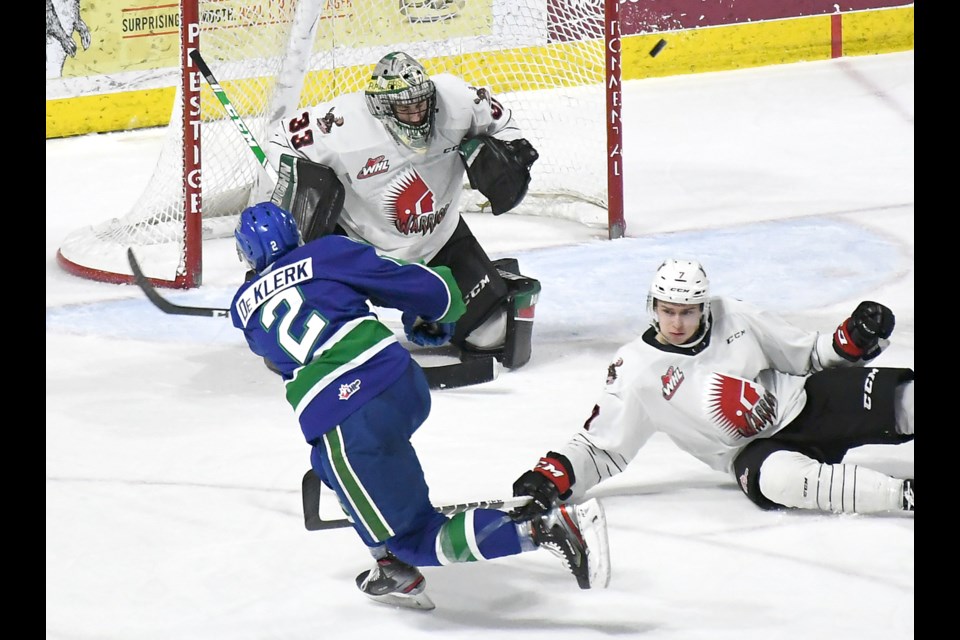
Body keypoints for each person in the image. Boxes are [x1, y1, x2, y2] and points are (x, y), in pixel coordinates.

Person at [228, 202, 610, 610]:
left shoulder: (242, 310)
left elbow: (279, 350)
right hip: (399, 381)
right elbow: (424, 288)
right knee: (326, 463)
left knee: (414, 537)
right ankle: (390, 566)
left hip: (347, 413)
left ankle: (547, 528)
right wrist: (433, 313)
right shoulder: (326, 252)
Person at [509, 258, 914, 522]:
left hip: (805, 400)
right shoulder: (636, 369)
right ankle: (904, 496)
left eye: (687, 312)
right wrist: (554, 476)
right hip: (751, 453)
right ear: (653, 307)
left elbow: (805, 354)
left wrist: (851, 341)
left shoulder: (732, 313)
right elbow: (601, 447)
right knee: (782, 483)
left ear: (704, 306)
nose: (677, 322)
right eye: (668, 311)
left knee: (906, 400)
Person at [264, 50, 542, 370]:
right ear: (382, 107)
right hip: (362, 253)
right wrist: (310, 187)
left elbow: (504, 123)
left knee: (493, 336)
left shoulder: (458, 101)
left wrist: (511, 153)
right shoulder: (340, 125)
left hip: (440, 240)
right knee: (318, 347)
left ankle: (457, 286)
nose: (417, 115)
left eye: (421, 105)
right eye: (405, 108)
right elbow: (279, 138)